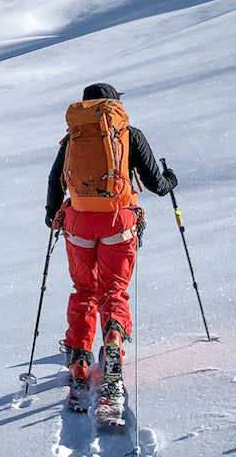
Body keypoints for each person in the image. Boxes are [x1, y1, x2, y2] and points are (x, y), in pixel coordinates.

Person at [45, 83, 177, 412]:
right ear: (115, 105)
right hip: (119, 224)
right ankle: (113, 345)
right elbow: (157, 185)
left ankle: (78, 359)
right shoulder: (128, 133)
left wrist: (53, 216)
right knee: (113, 291)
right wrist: (171, 179)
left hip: (78, 225)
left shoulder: (74, 136)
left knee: (84, 288)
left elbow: (54, 181)